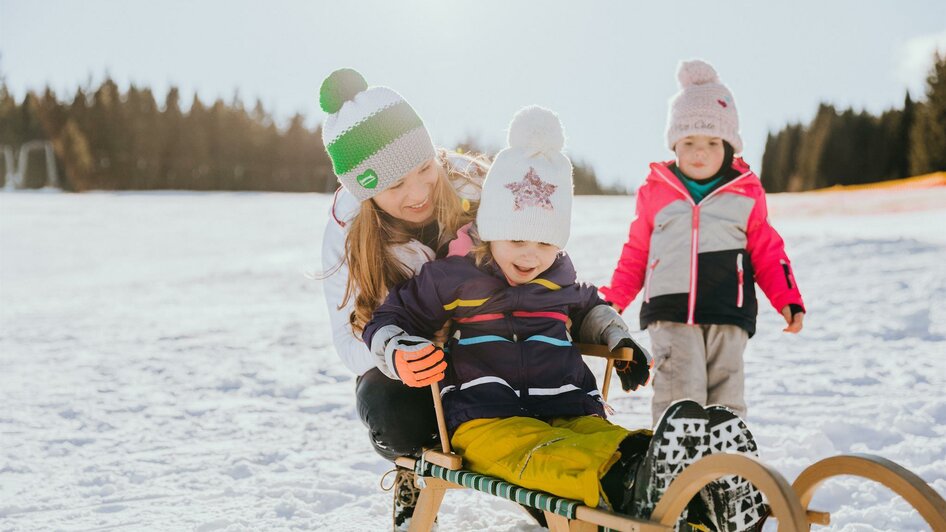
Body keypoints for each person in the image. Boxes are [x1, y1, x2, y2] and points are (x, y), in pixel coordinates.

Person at [363, 106, 765, 530]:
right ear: (492, 229)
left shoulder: (560, 276)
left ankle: (692, 480)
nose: (529, 255)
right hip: (486, 418)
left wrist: (618, 340)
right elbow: (391, 316)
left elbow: (590, 307)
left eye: (545, 242)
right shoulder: (454, 276)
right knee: (544, 455)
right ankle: (632, 482)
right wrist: (399, 350)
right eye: (516, 239)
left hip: (569, 406)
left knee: (606, 440)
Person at [318, 68, 486, 527]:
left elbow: (540, 255)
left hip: (493, 349)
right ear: (366, 190)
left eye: (424, 169)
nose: (417, 193)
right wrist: (396, 357)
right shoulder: (347, 233)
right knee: (388, 407)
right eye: (393, 186)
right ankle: (414, 465)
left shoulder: (475, 187)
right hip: (413, 368)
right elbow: (348, 341)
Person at [601, 59, 807, 425]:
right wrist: (615, 299)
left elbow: (768, 250)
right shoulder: (656, 192)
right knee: (679, 391)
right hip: (670, 311)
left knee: (726, 399)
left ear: (730, 146)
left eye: (712, 142)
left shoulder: (745, 192)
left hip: (729, 310)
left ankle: (725, 471)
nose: (700, 152)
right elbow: (635, 252)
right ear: (674, 144)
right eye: (689, 142)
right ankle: (676, 471)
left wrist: (787, 298)